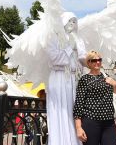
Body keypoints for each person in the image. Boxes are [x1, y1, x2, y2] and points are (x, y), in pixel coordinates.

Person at [46, 12, 86, 145]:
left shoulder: (78, 40)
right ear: (63, 22)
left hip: (74, 79)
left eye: (74, 22)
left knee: (74, 110)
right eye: (69, 21)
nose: (72, 24)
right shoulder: (54, 38)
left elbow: (82, 59)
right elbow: (54, 58)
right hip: (59, 77)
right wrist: (70, 48)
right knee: (61, 110)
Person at [73, 51, 116, 145]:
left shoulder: (107, 77)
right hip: (91, 121)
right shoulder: (84, 79)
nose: (97, 62)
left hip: (109, 122)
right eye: (94, 60)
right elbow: (78, 104)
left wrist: (114, 84)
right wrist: (78, 128)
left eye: (99, 60)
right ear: (89, 63)